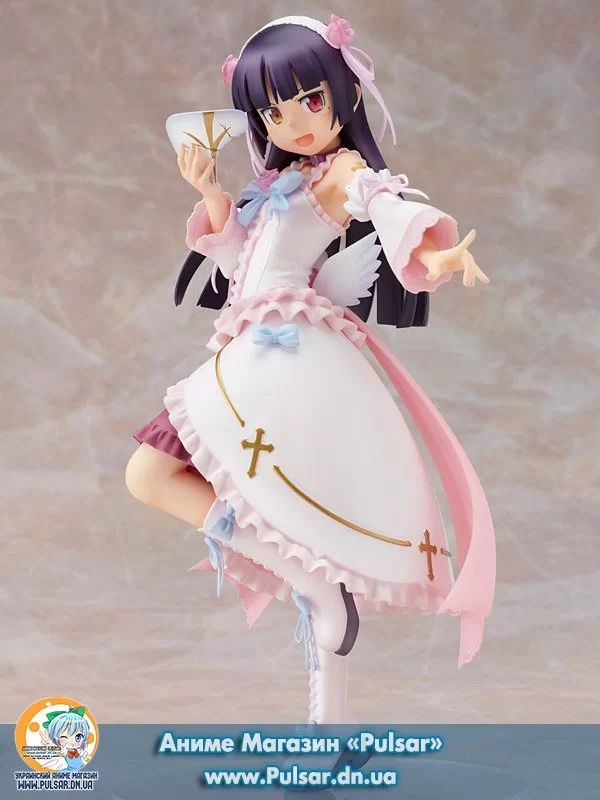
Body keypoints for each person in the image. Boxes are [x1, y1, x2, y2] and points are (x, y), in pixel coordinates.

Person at [125, 14, 496, 725]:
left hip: (287, 352)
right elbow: (237, 266)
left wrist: (436, 253)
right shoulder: (281, 179)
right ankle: (310, 583)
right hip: (254, 345)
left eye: (310, 101)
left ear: (344, 94)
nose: (292, 123)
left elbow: (383, 205)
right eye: (273, 111)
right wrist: (212, 195)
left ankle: (322, 630)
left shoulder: (344, 172)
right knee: (155, 475)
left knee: (162, 473)